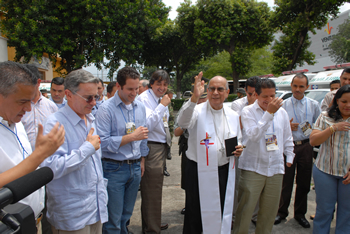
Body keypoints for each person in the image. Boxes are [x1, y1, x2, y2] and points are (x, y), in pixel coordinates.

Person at [0, 61, 65, 233]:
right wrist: (39, 155)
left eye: (30, 101)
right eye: (22, 101)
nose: (29, 109)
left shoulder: (14, 119)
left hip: (31, 222)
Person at [41, 69, 108, 234]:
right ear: (68, 95)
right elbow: (50, 168)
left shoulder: (90, 118)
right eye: (88, 97)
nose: (93, 103)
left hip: (95, 206)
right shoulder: (55, 124)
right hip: (72, 214)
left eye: (96, 97)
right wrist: (87, 149)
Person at [178, 72, 243, 234]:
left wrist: (240, 147)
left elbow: (238, 139)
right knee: (195, 212)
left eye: (220, 89)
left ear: (227, 93)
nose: (215, 93)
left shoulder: (233, 115)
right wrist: (194, 97)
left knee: (219, 209)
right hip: (198, 170)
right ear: (206, 90)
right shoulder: (197, 110)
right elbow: (183, 122)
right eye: (212, 89)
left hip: (223, 170)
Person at [233, 79, 295, 234]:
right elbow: (254, 135)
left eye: (272, 96)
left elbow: (287, 136)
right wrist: (269, 114)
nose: (269, 100)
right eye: (265, 97)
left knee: (268, 212)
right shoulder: (248, 111)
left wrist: (289, 157)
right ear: (256, 95)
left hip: (275, 168)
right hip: (253, 167)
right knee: (245, 211)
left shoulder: (282, 112)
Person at [95, 67, 149, 234]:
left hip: (134, 166)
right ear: (118, 86)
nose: (134, 93)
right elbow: (102, 143)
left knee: (126, 216)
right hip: (113, 168)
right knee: (113, 220)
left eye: (137, 88)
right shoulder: (106, 109)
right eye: (130, 89)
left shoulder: (139, 107)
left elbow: (143, 137)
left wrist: (142, 161)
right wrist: (131, 137)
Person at [275, 73, 321, 228]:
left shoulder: (314, 104)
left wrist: (309, 128)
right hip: (288, 146)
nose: (298, 89)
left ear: (307, 87)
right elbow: (275, 125)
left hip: (307, 145)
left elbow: (319, 125)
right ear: (291, 86)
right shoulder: (284, 104)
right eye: (295, 86)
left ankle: (300, 214)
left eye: (301, 86)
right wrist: (287, 126)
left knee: (303, 181)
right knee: (286, 182)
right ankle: (281, 212)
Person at [310, 85, 350, 234]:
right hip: (325, 171)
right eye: (344, 101)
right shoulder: (326, 116)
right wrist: (333, 128)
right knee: (324, 210)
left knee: (347, 213)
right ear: (337, 101)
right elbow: (313, 141)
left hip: (347, 174)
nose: (348, 105)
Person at [137, 70, 171, 233]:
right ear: (151, 84)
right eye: (159, 84)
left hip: (160, 146)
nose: (162, 87)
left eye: (165, 84)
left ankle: (152, 223)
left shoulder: (158, 99)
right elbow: (147, 125)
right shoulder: (144, 99)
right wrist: (162, 105)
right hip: (151, 146)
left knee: (153, 189)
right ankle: (152, 228)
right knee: (152, 190)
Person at [230, 76, 261, 226]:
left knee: (257, 185)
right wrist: (250, 108)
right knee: (238, 186)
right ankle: (235, 216)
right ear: (245, 92)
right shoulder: (237, 105)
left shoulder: (265, 105)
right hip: (241, 149)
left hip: (258, 150)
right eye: (250, 94)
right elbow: (237, 127)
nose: (253, 97)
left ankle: (254, 216)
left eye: (256, 94)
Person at [22, 79, 58, 150]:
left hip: (46, 155)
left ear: (38, 83)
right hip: (24, 155)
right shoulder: (18, 106)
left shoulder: (51, 106)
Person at [164, 88, 174, 177]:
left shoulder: (169, 102)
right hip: (165, 126)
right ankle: (164, 168)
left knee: (169, 141)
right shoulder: (163, 101)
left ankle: (168, 152)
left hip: (170, 126)